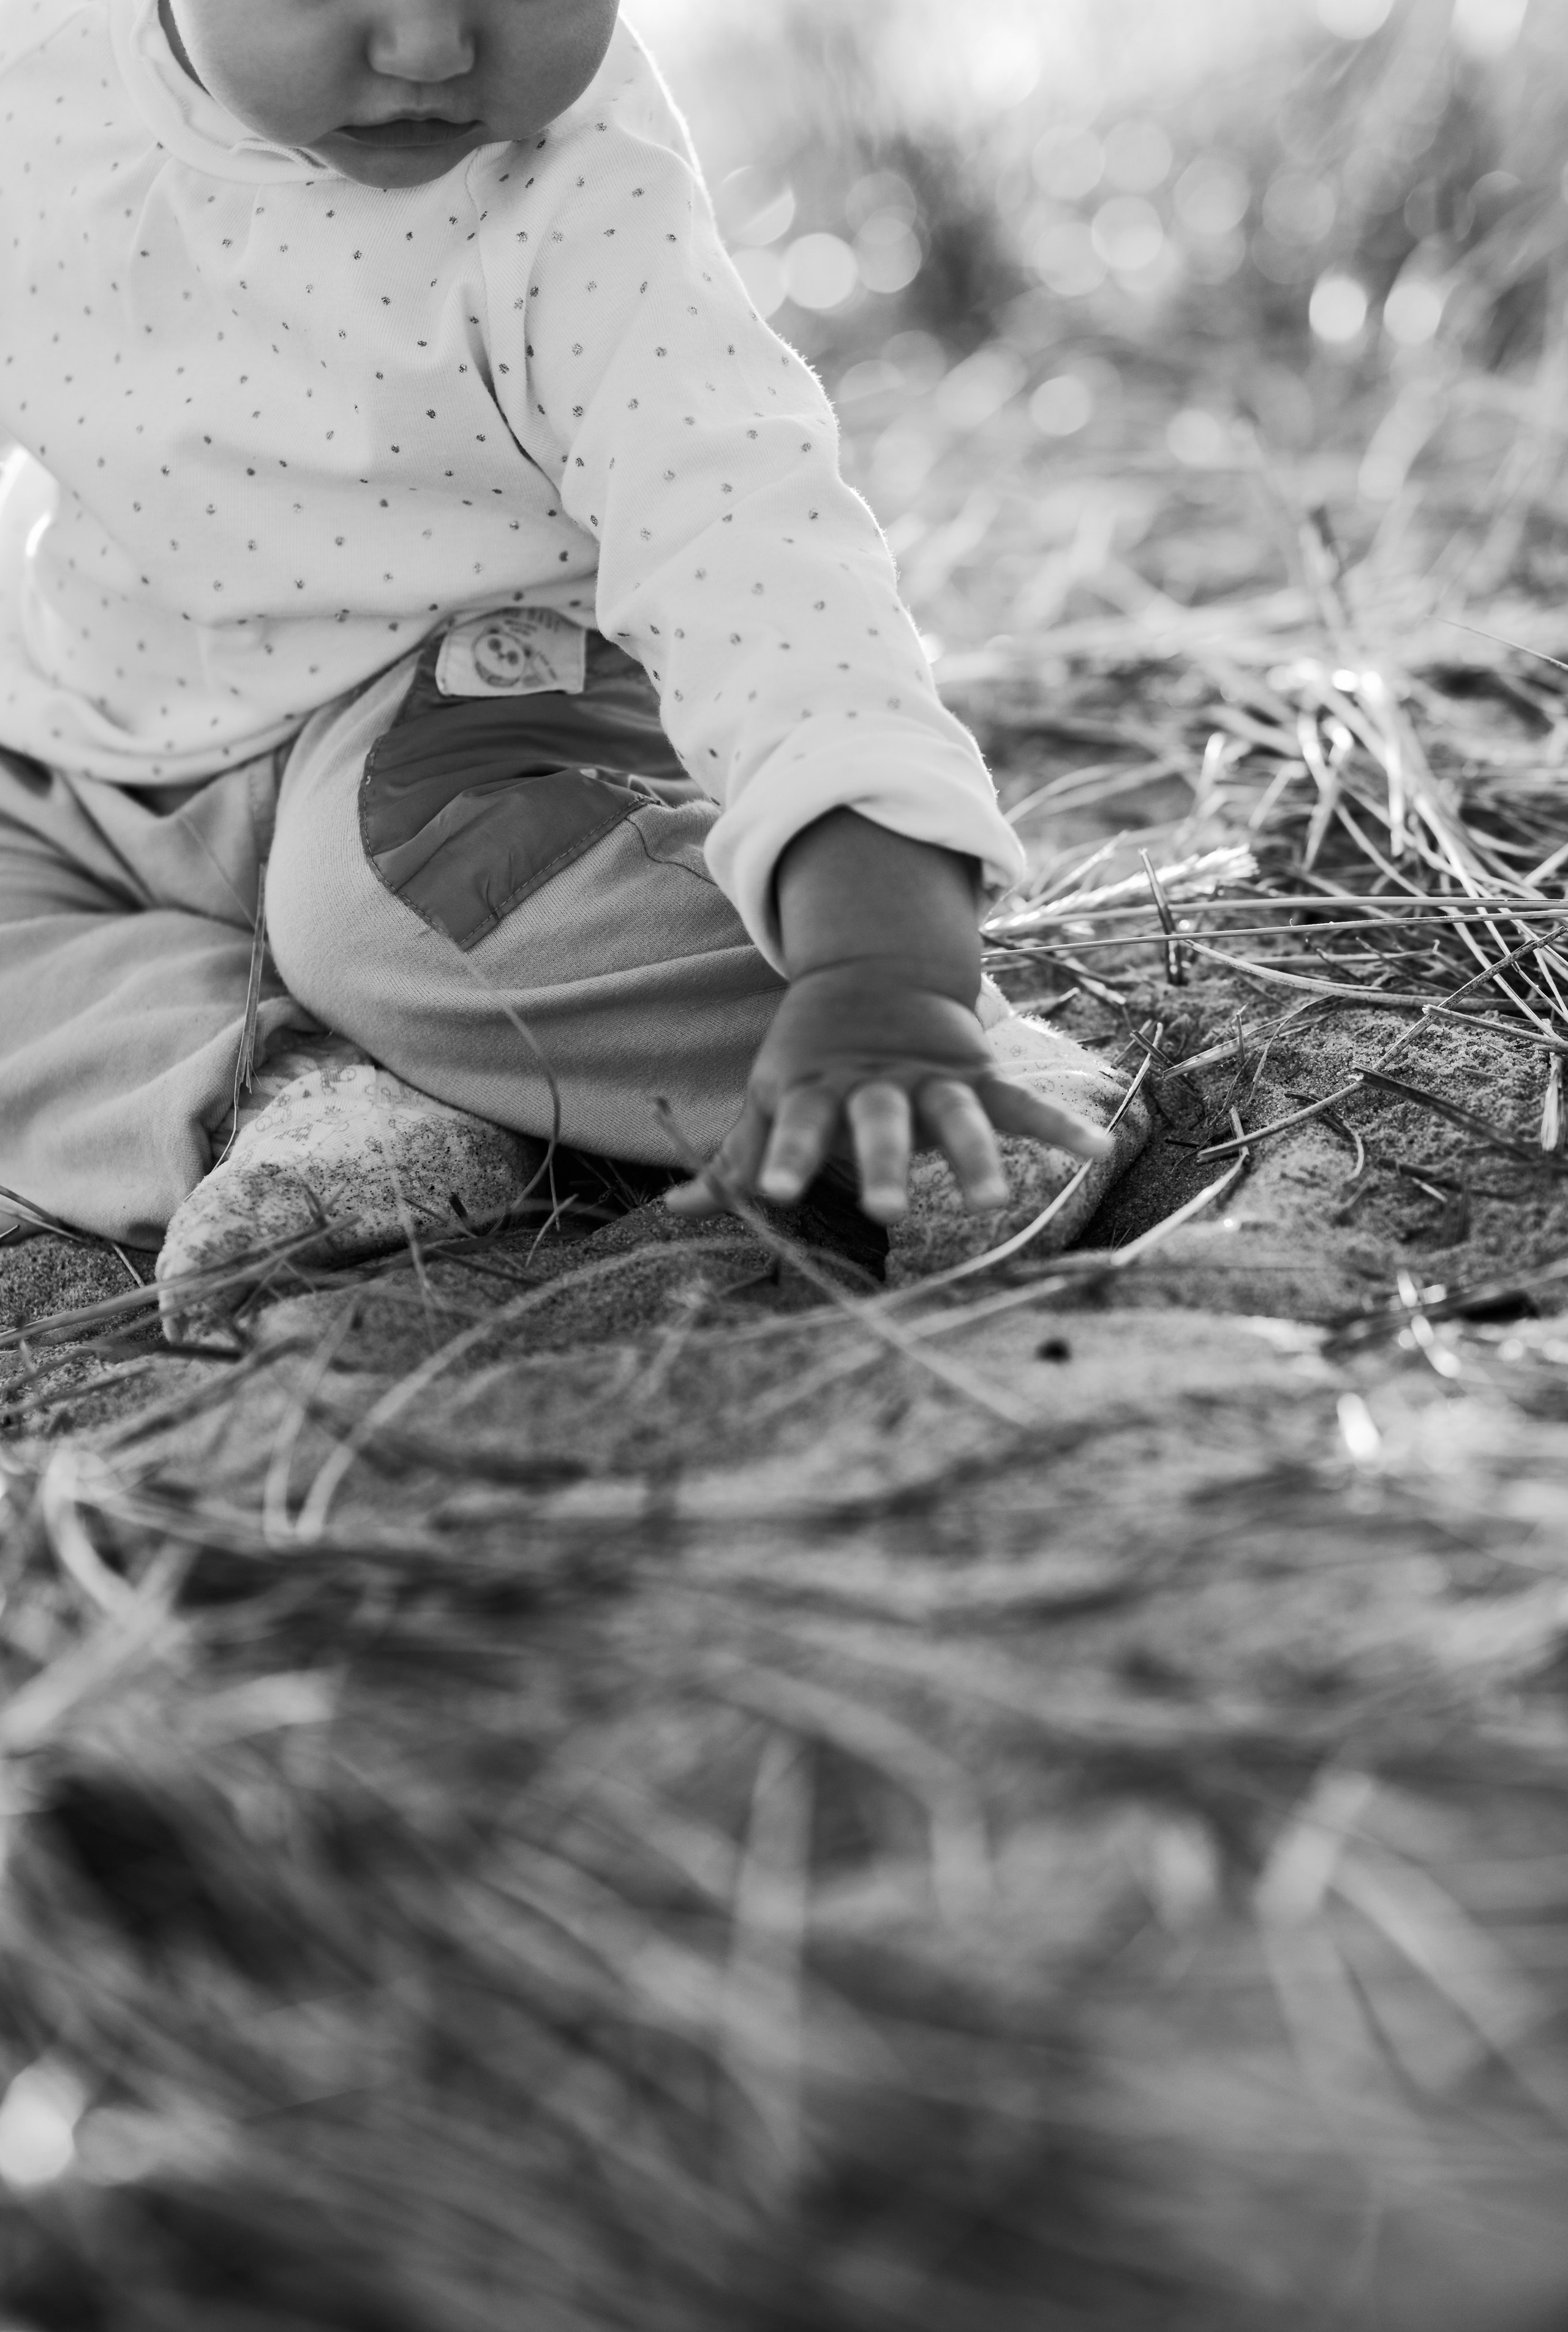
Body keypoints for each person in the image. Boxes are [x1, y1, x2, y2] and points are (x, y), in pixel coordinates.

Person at [0, 0, 1140, 1334]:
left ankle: (932, 1067)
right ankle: (312, 1103)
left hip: (464, 714)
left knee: (377, 913)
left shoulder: (582, 198)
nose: (428, 45)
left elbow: (745, 546)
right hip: (92, 724)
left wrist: (885, 957)